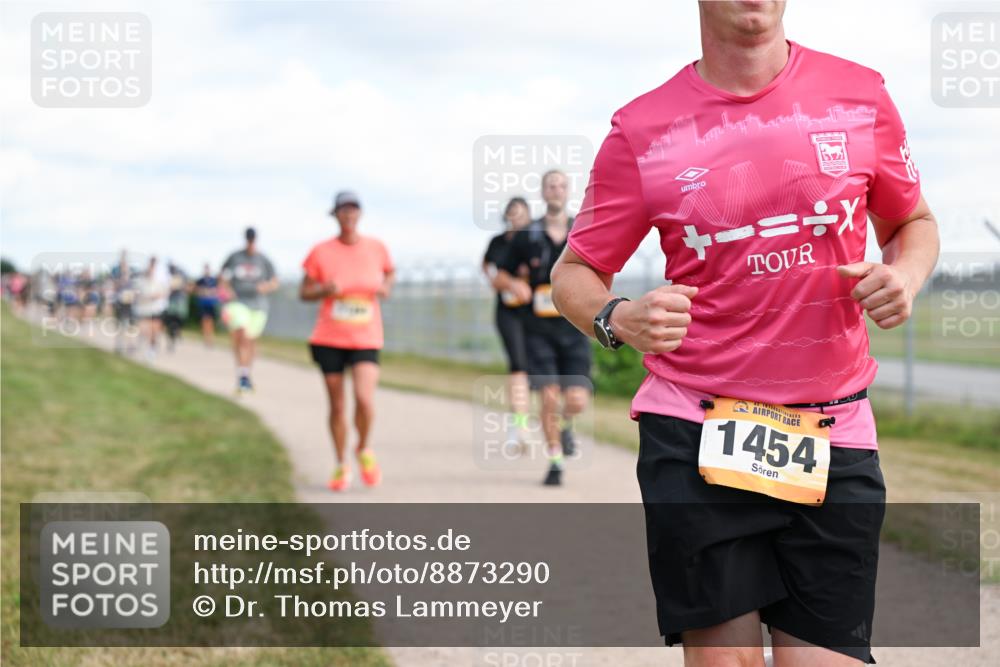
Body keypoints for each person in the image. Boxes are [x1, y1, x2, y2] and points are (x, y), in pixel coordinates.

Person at [550, 2, 939, 665]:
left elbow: (913, 222)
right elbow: (575, 271)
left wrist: (904, 273)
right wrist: (618, 317)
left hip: (832, 430)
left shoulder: (860, 94)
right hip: (695, 426)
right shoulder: (642, 128)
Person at [495, 170, 592, 487]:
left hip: (575, 327)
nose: (556, 190)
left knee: (576, 399)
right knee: (548, 398)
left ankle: (565, 427)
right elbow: (500, 275)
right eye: (550, 185)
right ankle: (554, 460)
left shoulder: (583, 230)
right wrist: (512, 283)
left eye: (561, 185)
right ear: (542, 192)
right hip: (537, 331)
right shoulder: (526, 235)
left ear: (568, 192)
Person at [299, 191, 394, 492]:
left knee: (365, 400)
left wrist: (385, 287)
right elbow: (304, 292)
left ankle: (363, 448)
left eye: (354, 210)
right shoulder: (320, 251)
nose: (349, 215)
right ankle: (341, 463)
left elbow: (390, 274)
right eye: (343, 210)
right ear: (336, 215)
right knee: (338, 406)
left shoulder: (376, 248)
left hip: (366, 336)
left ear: (360, 214)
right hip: (329, 337)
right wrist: (324, 289)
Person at [482, 197, 534, 450]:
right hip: (507, 311)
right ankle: (520, 426)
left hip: (536, 312)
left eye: (521, 214)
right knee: (518, 366)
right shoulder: (497, 243)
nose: (517, 219)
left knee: (538, 367)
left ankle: (556, 427)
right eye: (512, 214)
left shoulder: (537, 241)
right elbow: (490, 272)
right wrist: (510, 283)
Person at [220, 227, 278, 394]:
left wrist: (266, 286)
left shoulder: (263, 259)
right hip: (238, 302)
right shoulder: (235, 257)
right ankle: (242, 374)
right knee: (242, 335)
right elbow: (222, 276)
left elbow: (274, 281)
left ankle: (245, 373)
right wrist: (226, 289)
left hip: (258, 305)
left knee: (250, 341)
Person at [134, 256, 170, 360]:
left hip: (156, 308)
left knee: (154, 330)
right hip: (144, 308)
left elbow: (165, 292)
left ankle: (152, 349)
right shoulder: (142, 278)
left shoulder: (162, 276)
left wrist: (157, 296)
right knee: (145, 329)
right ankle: (146, 345)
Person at [163, 262, 190, 352]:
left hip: (179, 302)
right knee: (171, 322)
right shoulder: (168, 276)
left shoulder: (182, 276)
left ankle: (177, 332)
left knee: (179, 320)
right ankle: (171, 340)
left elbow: (188, 288)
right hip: (171, 302)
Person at [194, 263, 221, 347]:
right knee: (204, 320)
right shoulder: (200, 280)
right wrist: (202, 291)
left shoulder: (213, 280)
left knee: (211, 321)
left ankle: (211, 338)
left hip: (211, 303)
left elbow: (217, 290)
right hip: (203, 303)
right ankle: (206, 338)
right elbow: (195, 289)